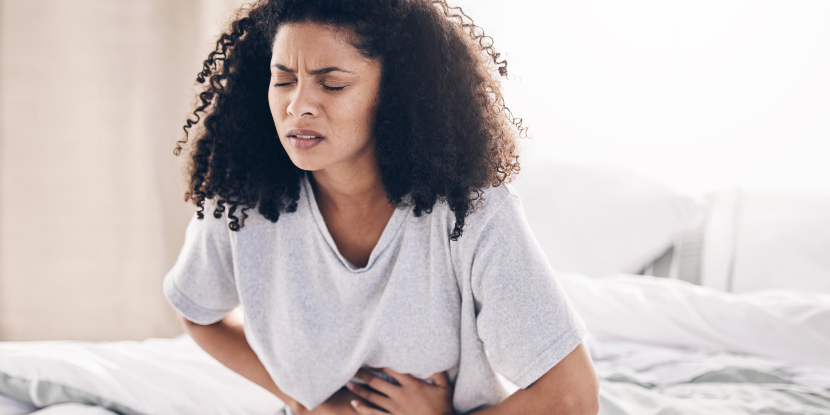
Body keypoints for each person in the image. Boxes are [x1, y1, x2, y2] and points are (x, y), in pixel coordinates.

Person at [163, 0, 600, 414]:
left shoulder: (471, 213)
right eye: (283, 80)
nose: (297, 106)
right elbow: (197, 313)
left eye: (332, 84)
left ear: (395, 92)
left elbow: (573, 398)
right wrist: (307, 403)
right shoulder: (241, 198)